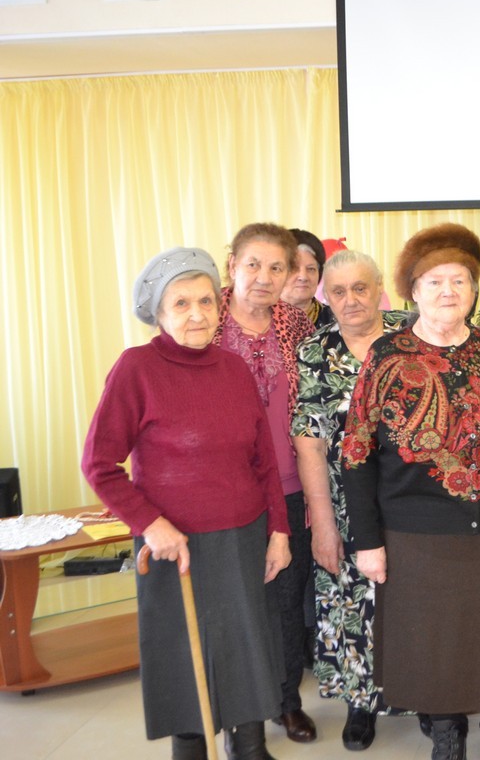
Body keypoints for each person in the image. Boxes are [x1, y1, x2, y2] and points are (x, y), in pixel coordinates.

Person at [81, 247, 291, 760]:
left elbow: (264, 460)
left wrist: (279, 532)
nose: (196, 314)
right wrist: (150, 523)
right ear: (159, 313)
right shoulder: (136, 368)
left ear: (219, 307)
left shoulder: (234, 368)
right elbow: (99, 464)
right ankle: (191, 749)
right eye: (180, 303)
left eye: (205, 301)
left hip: (242, 534)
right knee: (182, 654)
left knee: (246, 644)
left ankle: (249, 746)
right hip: (173, 542)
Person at [342, 223, 480, 760]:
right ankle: (447, 741)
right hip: (417, 536)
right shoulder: (387, 356)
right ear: (413, 290)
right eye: (434, 281)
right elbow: (356, 453)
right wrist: (367, 541)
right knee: (435, 653)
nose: (448, 291)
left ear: (474, 290)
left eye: (459, 281)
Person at [291, 250, 414, 751]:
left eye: (360, 288)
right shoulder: (315, 349)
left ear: (380, 287)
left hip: (414, 499)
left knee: (416, 597)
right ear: (326, 296)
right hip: (344, 503)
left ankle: (426, 695)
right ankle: (361, 703)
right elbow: (309, 442)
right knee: (350, 599)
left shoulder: (413, 335)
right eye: (338, 292)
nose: (350, 300)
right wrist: (323, 523)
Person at [213, 222, 317, 743]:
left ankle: (285, 701)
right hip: (225, 492)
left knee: (287, 603)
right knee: (234, 605)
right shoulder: (203, 319)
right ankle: (237, 711)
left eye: (277, 267)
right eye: (253, 264)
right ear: (232, 264)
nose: (264, 277)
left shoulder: (295, 324)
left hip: (290, 485)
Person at [281, 228, 333, 328]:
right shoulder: (258, 320)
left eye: (311, 269)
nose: (303, 277)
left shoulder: (337, 320)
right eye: (294, 268)